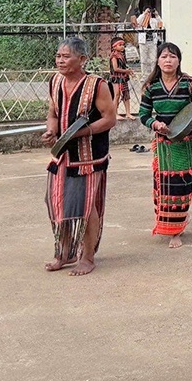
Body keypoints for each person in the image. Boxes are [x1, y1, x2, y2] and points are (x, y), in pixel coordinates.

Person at [41, 37, 117, 275]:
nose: (60, 61)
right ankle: (64, 252)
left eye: (66, 56)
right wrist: (52, 130)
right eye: (58, 56)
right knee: (56, 202)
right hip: (62, 155)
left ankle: (88, 256)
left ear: (82, 59)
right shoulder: (55, 82)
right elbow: (53, 112)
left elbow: (109, 118)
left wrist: (82, 132)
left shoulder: (97, 85)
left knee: (85, 206)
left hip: (88, 156)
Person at [139, 42, 192, 249]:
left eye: (172, 57)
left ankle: (177, 230)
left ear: (179, 61)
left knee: (181, 185)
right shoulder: (152, 87)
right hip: (163, 144)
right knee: (164, 186)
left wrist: (191, 120)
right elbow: (143, 115)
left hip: (187, 143)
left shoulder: (190, 83)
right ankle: (167, 225)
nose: (168, 60)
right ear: (158, 61)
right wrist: (155, 123)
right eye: (164, 57)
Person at [108, 37, 134, 120]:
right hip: (117, 78)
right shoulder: (114, 56)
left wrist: (128, 71)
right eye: (120, 45)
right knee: (117, 95)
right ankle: (114, 113)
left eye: (123, 45)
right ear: (114, 47)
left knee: (126, 95)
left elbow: (123, 66)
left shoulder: (122, 55)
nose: (122, 46)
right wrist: (126, 71)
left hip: (123, 78)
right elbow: (115, 69)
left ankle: (128, 113)